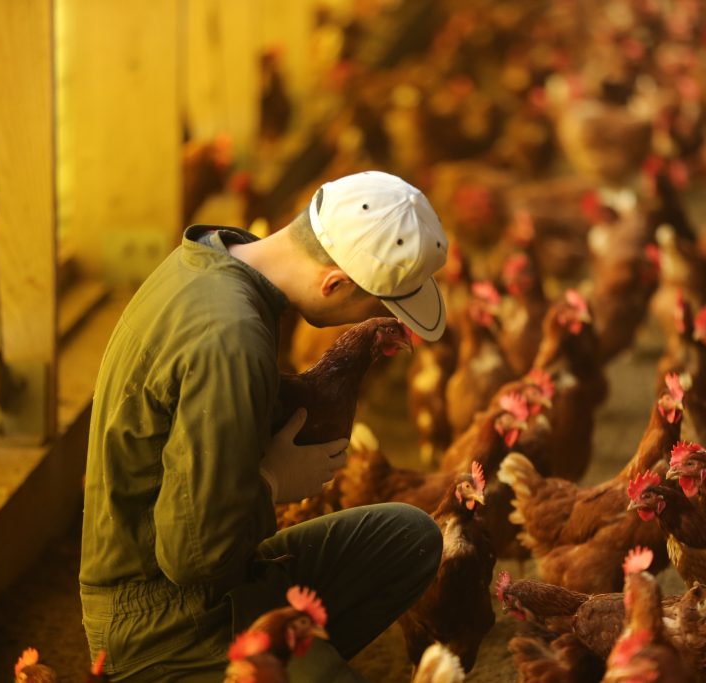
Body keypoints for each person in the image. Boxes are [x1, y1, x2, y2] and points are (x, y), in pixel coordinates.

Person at [80, 171, 449, 682]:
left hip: (217, 575)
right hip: (165, 619)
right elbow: (192, 556)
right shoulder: (231, 338)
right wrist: (275, 481)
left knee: (411, 537)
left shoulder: (210, 260)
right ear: (335, 282)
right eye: (376, 303)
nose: (373, 316)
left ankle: (285, 654)